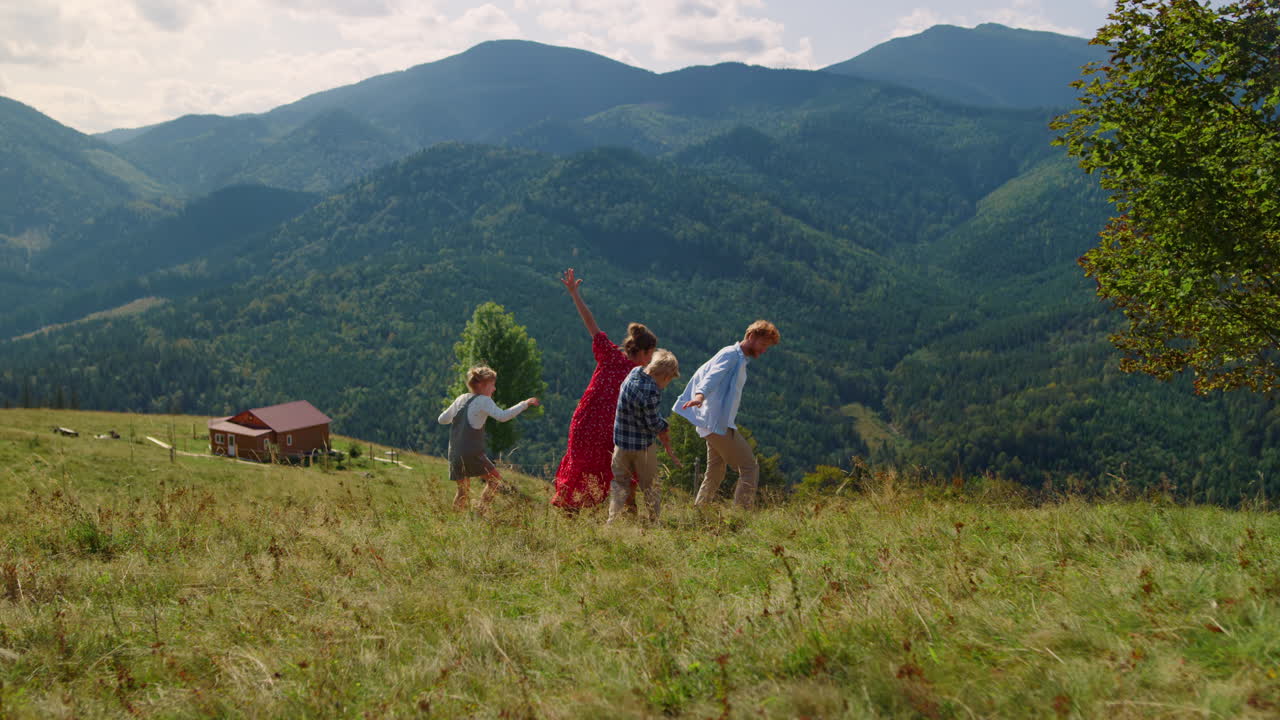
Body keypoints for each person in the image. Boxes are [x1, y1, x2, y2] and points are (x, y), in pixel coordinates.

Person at [550, 268, 657, 510]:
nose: (651, 359)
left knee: (599, 469)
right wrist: (574, 294)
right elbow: (591, 323)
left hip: (593, 426)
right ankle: (596, 512)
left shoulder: (614, 358)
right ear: (644, 352)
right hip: (599, 429)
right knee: (610, 470)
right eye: (651, 354)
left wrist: (574, 293)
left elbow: (592, 325)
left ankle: (588, 512)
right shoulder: (628, 367)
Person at [673, 320, 780, 509]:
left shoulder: (739, 359)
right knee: (749, 468)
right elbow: (712, 377)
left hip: (713, 423)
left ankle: (699, 512)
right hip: (716, 424)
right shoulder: (731, 354)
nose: (764, 350)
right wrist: (700, 396)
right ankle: (740, 515)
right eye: (763, 345)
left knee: (715, 470)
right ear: (751, 337)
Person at [438, 365, 539, 512]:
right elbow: (503, 416)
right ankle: (481, 510)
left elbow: (442, 419)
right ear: (483, 385)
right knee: (495, 482)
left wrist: (459, 418)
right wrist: (525, 404)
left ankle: (454, 520)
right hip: (472, 452)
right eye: (492, 385)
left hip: (455, 453)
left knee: (462, 491)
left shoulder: (461, 398)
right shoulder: (484, 401)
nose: (494, 389)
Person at [608, 350, 682, 524]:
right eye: (669, 380)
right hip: (642, 447)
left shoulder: (633, 374)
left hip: (621, 443)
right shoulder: (652, 391)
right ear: (665, 376)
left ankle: (613, 521)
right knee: (650, 485)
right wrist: (665, 426)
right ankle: (654, 521)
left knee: (619, 483)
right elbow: (652, 423)